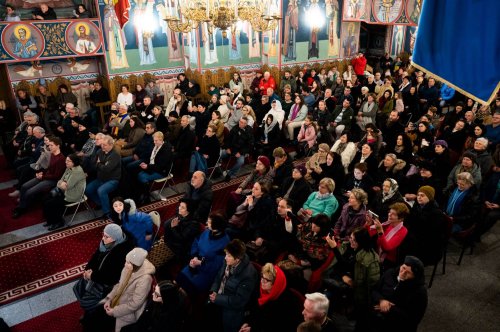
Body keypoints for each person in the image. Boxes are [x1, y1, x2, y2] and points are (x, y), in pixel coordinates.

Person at [77, 224, 134, 323]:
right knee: (82, 289)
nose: (103, 238)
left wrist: (92, 276)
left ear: (115, 238)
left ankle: (93, 317)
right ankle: (89, 313)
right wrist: (88, 269)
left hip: (109, 285)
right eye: (103, 235)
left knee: (91, 303)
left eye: (106, 237)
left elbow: (112, 278)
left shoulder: (122, 253)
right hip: (99, 276)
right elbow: (96, 256)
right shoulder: (107, 243)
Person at [324, 228, 380, 324]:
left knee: (327, 297)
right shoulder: (349, 247)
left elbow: (369, 284)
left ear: (361, 242)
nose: (351, 241)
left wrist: (334, 248)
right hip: (343, 280)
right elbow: (340, 266)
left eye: (354, 240)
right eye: (351, 238)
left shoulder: (368, 258)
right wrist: (343, 276)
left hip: (357, 289)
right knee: (326, 295)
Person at [208, 239, 259, 332]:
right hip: (219, 299)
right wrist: (214, 291)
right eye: (226, 254)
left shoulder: (249, 275)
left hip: (232, 310)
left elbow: (238, 301)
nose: (225, 258)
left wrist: (218, 298)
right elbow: (218, 277)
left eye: (229, 255)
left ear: (237, 258)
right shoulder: (228, 262)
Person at [102, 248, 156, 332]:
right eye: (126, 261)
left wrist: (115, 311)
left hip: (131, 312)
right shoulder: (129, 267)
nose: (125, 264)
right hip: (120, 301)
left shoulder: (145, 279)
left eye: (128, 263)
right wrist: (110, 299)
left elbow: (135, 305)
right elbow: (119, 285)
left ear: (135, 265)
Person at [176, 213, 231, 295]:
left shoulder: (225, 242)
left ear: (216, 226)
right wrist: (194, 257)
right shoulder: (207, 231)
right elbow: (196, 243)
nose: (206, 223)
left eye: (209, 222)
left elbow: (217, 265)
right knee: (177, 281)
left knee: (184, 291)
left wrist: (201, 263)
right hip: (195, 262)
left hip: (207, 271)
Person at [370, 256, 428, 332]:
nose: (403, 273)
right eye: (403, 268)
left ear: (415, 276)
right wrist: (381, 300)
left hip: (398, 326)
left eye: (408, 272)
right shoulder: (390, 273)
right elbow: (374, 290)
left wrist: (389, 308)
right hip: (378, 319)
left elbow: (413, 320)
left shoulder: (420, 293)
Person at [239, 263, 303, 332]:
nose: (262, 281)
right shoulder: (260, 289)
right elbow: (253, 309)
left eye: (266, 280)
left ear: (276, 283)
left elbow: (277, 326)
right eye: (262, 277)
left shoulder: (288, 302)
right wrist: (248, 323)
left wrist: (253, 329)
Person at [13, 136, 65, 218]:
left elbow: (56, 176)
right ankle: (22, 204)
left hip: (52, 180)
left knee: (29, 192)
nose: (49, 147)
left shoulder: (61, 159)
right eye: (49, 145)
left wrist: (43, 176)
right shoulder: (52, 154)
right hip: (45, 176)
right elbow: (49, 168)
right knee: (24, 186)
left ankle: (21, 208)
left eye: (52, 145)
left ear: (58, 146)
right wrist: (41, 173)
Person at [121, 280, 188, 332]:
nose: (153, 294)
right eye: (154, 290)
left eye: (156, 294)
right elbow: (145, 317)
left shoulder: (169, 318)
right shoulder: (155, 300)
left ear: (165, 298)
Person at [43, 153, 86, 230]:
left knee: (52, 203)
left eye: (68, 161)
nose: (66, 162)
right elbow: (60, 180)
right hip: (64, 191)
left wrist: (62, 183)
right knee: (46, 198)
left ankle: (59, 222)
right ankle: (50, 220)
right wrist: (62, 183)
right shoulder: (68, 168)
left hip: (73, 195)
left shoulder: (77, 172)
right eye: (66, 160)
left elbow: (67, 187)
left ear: (74, 162)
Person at [85, 135, 121, 218]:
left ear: (111, 145)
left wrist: (99, 164)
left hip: (112, 180)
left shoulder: (115, 155)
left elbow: (107, 169)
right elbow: (93, 165)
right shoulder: (99, 152)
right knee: (88, 190)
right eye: (102, 144)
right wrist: (100, 164)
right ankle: (100, 203)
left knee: (101, 190)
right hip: (101, 178)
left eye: (105, 145)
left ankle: (107, 212)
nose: (102, 146)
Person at [366, 202, 409, 270]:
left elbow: (387, 248)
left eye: (393, 214)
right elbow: (369, 234)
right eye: (389, 212)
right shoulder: (387, 223)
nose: (389, 215)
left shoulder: (403, 230)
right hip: (377, 253)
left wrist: (380, 231)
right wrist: (368, 224)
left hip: (388, 262)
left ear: (400, 219)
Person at [164, 198, 201, 265]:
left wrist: (173, 228)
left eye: (182, 207)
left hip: (181, 247)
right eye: (180, 206)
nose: (179, 208)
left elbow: (182, 239)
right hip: (174, 240)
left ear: (188, 211)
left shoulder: (193, 224)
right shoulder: (181, 214)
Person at [221, 116, 254, 181]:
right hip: (231, 149)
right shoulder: (235, 128)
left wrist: (240, 153)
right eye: (240, 121)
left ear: (246, 124)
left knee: (241, 162)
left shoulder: (249, 130)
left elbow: (250, 145)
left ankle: (229, 174)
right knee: (220, 154)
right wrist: (227, 148)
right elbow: (228, 139)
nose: (240, 123)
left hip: (241, 151)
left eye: (242, 122)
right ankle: (217, 168)